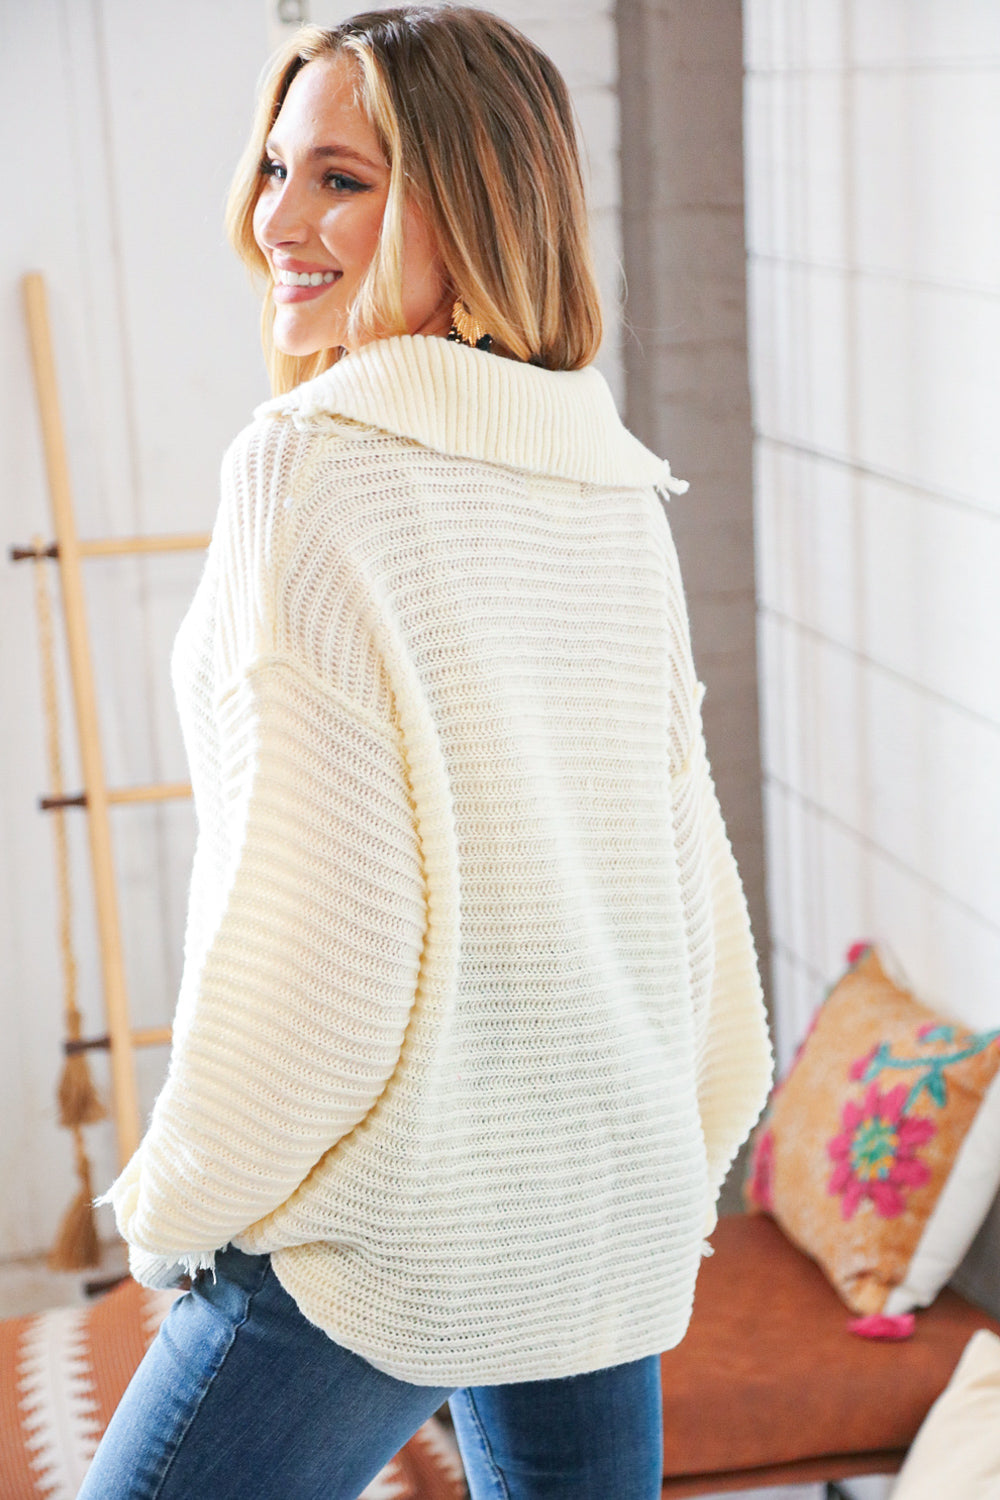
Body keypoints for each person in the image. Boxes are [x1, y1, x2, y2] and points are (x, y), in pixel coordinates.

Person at [80, 8, 772, 1498]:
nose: (276, 219)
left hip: (399, 1221)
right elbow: (683, 876)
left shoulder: (306, 467)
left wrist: (179, 1200)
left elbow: (315, 938)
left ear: (473, 200)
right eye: (277, 167)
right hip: (599, 1193)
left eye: (341, 178)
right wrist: (675, 1147)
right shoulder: (607, 473)